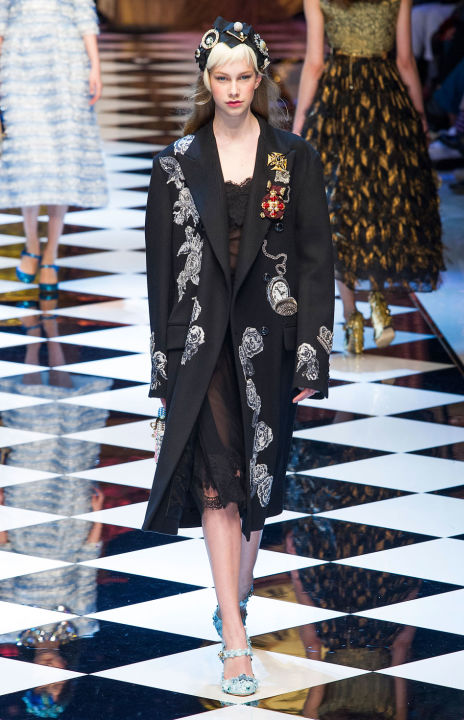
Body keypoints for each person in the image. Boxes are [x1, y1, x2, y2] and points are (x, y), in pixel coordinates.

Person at [142, 17, 334, 697]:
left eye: (242, 76)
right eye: (220, 77)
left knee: (257, 481)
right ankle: (234, 637)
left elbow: (314, 260)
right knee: (218, 484)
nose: (231, 88)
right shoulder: (174, 164)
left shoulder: (293, 159)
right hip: (201, 344)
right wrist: (163, 367)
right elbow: (161, 271)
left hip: (270, 340)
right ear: (206, 81)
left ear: (259, 80)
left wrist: (313, 353)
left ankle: (240, 592)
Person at [293, 0, 444, 354]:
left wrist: (300, 124)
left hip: (338, 99)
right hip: (386, 100)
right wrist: (419, 116)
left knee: (339, 205)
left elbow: (314, 64)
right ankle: (378, 300)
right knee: (382, 200)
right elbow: (404, 61)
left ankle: (352, 317)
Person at [0, 0, 108, 297]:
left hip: (65, 61)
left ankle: (51, 253)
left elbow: (84, 12)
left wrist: (95, 66)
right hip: (19, 61)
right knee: (29, 155)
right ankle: (32, 242)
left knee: (62, 157)